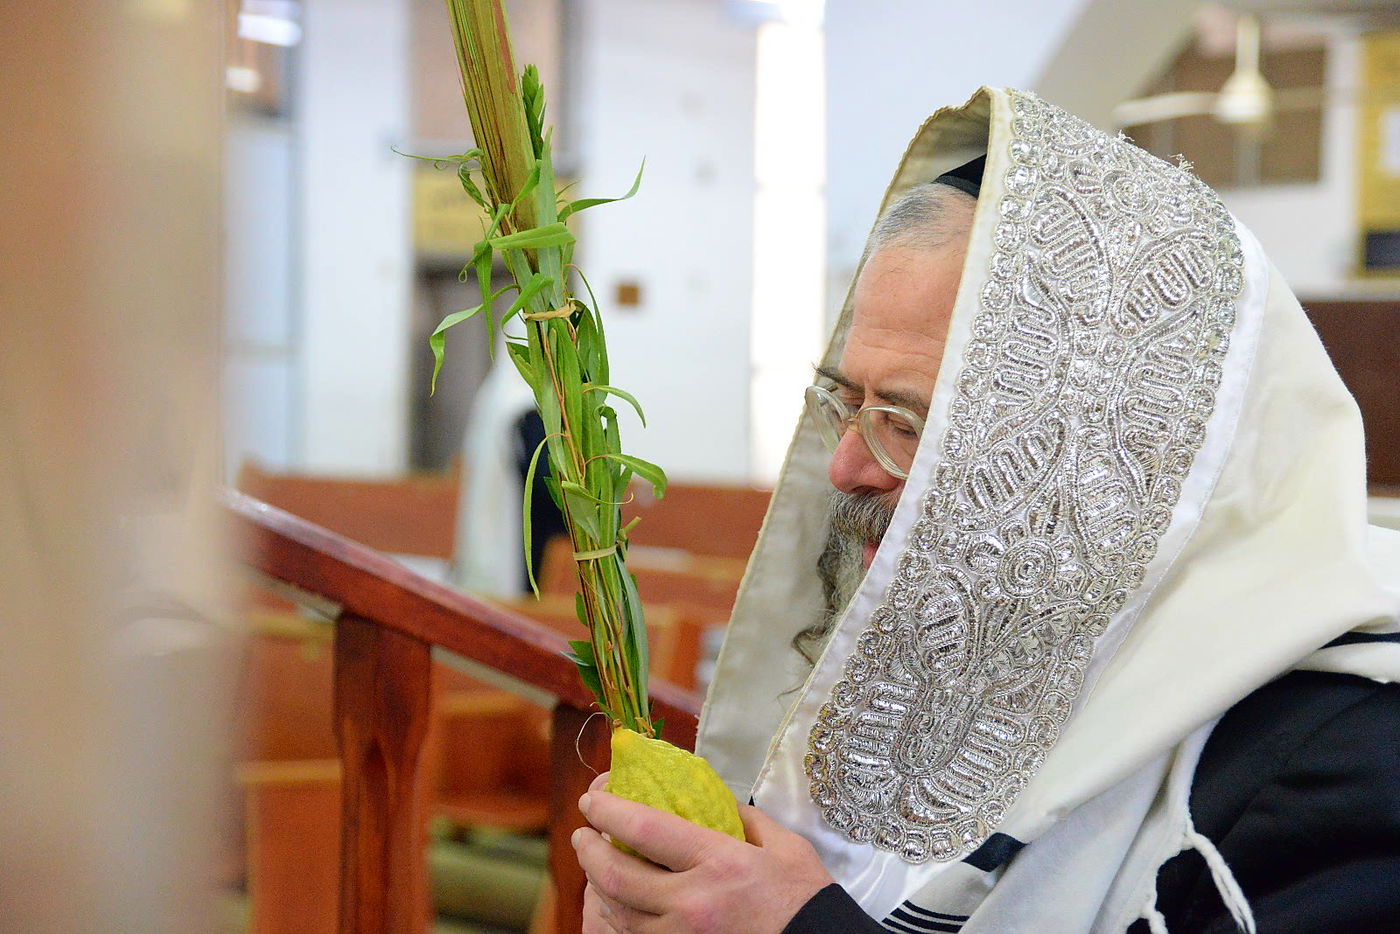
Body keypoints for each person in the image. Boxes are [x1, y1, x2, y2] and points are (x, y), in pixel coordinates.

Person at [571, 88, 1400, 932]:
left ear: (1113, 460)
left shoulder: (1338, 762)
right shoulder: (962, 657)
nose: (849, 466)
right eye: (844, 404)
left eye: (906, 423)